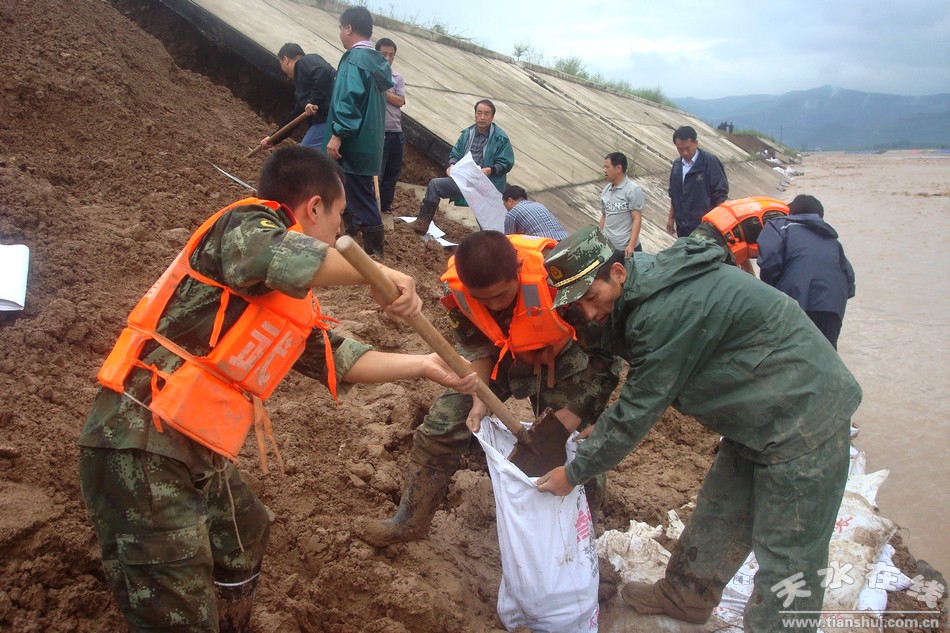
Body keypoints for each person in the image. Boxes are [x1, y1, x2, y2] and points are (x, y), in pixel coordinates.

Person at [78, 146, 477, 633]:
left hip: (194, 445)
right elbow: (280, 255)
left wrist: (426, 366)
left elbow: (339, 358)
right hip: (138, 438)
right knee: (178, 613)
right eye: (339, 219)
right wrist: (382, 275)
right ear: (314, 208)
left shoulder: (279, 297)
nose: (341, 232)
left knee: (244, 533)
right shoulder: (246, 226)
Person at [537, 226, 862, 633]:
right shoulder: (643, 288)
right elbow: (628, 373)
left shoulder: (664, 311)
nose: (588, 312)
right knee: (720, 508)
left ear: (617, 272)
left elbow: (639, 407)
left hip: (806, 414)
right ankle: (686, 596)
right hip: (758, 413)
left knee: (789, 552)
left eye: (590, 297)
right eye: (578, 304)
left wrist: (574, 472)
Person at [359, 230, 621, 546]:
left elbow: (605, 358)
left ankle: (583, 536)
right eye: (484, 299)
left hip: (560, 357)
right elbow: (477, 347)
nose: (494, 304)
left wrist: (578, 412)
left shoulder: (557, 281)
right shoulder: (456, 290)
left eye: (501, 295)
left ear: (518, 269)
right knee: (441, 426)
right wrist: (478, 397)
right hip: (500, 356)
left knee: (577, 446)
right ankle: (409, 522)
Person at [324, 6, 393, 257]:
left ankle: (375, 252)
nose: (340, 32)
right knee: (351, 190)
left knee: (361, 195)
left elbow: (349, 99)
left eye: (340, 27)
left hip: (353, 143)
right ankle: (351, 233)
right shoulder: (376, 61)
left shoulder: (354, 60)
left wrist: (337, 134)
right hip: (368, 142)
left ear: (349, 28)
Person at [757, 194, 856, 348]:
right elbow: (849, 281)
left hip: (795, 303)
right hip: (832, 307)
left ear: (790, 212)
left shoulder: (778, 225)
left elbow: (770, 263)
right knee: (825, 356)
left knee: (789, 354)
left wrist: (771, 294)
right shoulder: (832, 240)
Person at [412, 99, 515, 234]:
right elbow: (455, 152)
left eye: (486, 114)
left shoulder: (500, 138)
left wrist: (490, 170)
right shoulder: (467, 134)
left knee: (489, 222)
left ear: (492, 117)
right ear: (475, 114)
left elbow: (506, 163)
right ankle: (422, 223)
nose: (482, 117)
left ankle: (493, 240)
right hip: (466, 181)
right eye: (479, 113)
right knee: (435, 185)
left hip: (487, 185)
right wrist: (452, 165)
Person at [259, 43, 335, 150]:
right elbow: (296, 116)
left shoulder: (305, 61)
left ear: (285, 60)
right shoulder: (304, 83)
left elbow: (323, 71)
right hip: (329, 120)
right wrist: (273, 138)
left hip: (328, 118)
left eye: (280, 63)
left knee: (304, 154)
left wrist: (313, 100)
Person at [667, 125, 729, 237]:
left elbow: (720, 195)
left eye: (687, 148)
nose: (684, 153)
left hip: (705, 227)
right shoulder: (677, 166)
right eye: (680, 149)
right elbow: (674, 194)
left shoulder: (709, 162)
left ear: (696, 143)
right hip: (683, 226)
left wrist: (722, 225)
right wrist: (671, 218)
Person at [375, 37, 406, 215]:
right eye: (384, 54)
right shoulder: (372, 75)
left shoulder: (397, 77)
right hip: (379, 132)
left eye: (391, 55)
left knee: (392, 173)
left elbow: (400, 101)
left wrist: (383, 91)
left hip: (396, 131)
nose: (387, 58)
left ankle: (385, 207)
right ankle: (373, 208)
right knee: (377, 172)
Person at [600, 152, 645, 256]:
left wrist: (631, 245)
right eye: (604, 167)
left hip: (626, 249)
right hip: (609, 249)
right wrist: (598, 238)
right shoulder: (606, 190)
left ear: (618, 168)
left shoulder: (633, 190)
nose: (604, 170)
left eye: (607, 167)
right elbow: (604, 216)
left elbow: (637, 218)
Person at [502, 185, 567, 240]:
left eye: (505, 204)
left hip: (545, 245)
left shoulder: (512, 214)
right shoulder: (538, 205)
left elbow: (509, 241)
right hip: (565, 239)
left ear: (510, 201)